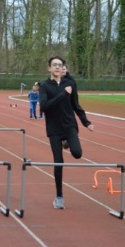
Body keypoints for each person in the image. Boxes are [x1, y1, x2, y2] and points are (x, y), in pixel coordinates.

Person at [39, 55, 94, 209]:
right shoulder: (44, 86)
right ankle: (59, 196)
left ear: (63, 68)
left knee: (77, 153)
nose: (57, 67)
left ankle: (67, 142)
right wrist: (63, 94)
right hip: (54, 129)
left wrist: (86, 122)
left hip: (70, 125)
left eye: (60, 65)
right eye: (54, 65)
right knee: (59, 161)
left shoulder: (70, 84)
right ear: (49, 68)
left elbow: (76, 105)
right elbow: (43, 107)